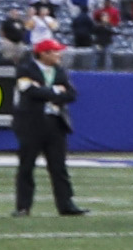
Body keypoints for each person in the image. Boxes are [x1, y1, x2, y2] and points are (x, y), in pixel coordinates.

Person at [6, 30, 82, 216]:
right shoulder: (25, 68)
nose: (59, 55)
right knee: (26, 166)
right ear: (44, 53)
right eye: (55, 52)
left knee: (59, 167)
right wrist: (55, 91)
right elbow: (29, 91)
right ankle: (23, 206)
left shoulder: (60, 71)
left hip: (55, 123)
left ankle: (66, 204)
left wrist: (46, 91)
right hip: (31, 124)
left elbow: (72, 95)